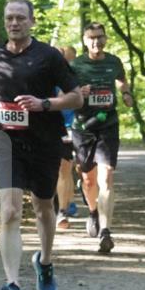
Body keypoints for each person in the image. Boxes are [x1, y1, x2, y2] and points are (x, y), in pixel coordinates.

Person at [0, 0, 82, 290]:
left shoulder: (49, 56)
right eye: (9, 17)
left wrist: (45, 104)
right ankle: (12, 284)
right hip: (8, 142)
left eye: (21, 17)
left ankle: (45, 262)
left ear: (32, 21)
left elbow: (76, 97)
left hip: (44, 142)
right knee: (9, 211)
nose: (14, 23)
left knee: (43, 206)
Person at [70, 21, 135, 253]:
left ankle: (106, 231)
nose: (96, 41)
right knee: (88, 180)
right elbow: (64, 92)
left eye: (100, 37)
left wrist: (126, 94)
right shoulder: (75, 65)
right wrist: (79, 92)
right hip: (83, 126)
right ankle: (93, 212)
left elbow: (122, 80)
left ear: (105, 38)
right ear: (85, 40)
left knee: (106, 176)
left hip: (108, 123)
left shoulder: (114, 62)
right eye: (91, 37)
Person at [55, 46, 78, 230]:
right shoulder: (41, 75)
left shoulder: (72, 77)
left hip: (68, 127)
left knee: (65, 168)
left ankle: (63, 210)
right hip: (46, 127)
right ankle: (61, 205)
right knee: (56, 171)